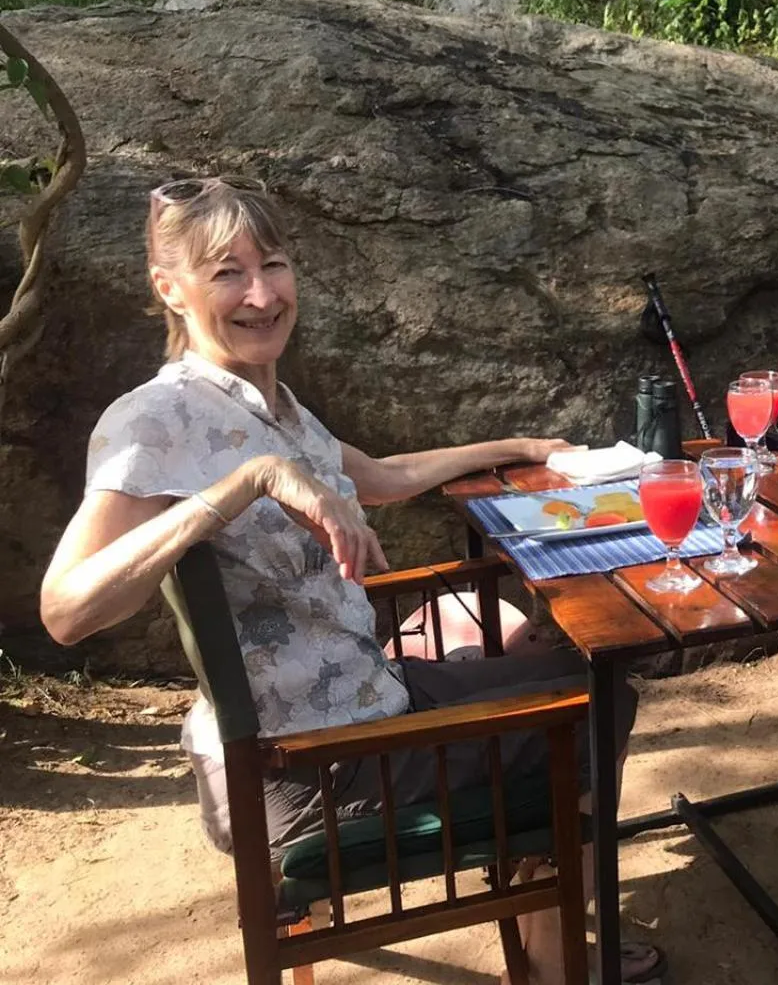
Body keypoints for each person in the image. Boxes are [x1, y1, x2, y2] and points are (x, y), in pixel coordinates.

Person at [39, 177, 663, 984]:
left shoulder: (276, 405)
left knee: (577, 673)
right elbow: (66, 609)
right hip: (309, 767)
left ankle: (537, 889)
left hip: (363, 703)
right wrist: (243, 485)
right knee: (598, 703)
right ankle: (552, 956)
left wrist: (522, 446)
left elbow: (377, 476)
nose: (261, 294)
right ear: (170, 288)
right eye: (227, 272)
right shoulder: (154, 421)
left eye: (275, 264)